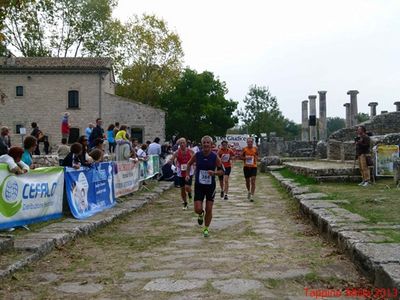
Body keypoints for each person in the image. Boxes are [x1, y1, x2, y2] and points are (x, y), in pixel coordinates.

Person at [185, 135, 223, 238]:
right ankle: (200, 214)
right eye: (204, 143)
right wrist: (188, 174)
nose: (206, 144)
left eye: (208, 143)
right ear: (202, 144)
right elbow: (188, 164)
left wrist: (214, 173)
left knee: (209, 209)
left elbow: (222, 171)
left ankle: (206, 228)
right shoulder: (197, 155)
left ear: (211, 145)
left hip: (210, 186)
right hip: (199, 186)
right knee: (197, 209)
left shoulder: (215, 157)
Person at [168, 138, 194, 210]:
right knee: (182, 189)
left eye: (183, 143)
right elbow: (171, 160)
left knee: (187, 187)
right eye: (180, 143)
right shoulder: (176, 152)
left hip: (189, 172)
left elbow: (195, 159)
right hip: (180, 172)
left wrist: (195, 164)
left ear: (186, 143)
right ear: (179, 144)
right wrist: (172, 164)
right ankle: (185, 203)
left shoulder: (190, 151)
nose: (182, 144)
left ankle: (190, 194)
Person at [241, 137, 258, 202]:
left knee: (253, 181)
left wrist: (256, 158)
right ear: (247, 142)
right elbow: (241, 157)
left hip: (254, 166)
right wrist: (245, 158)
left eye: (251, 142)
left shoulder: (255, 149)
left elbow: (257, 155)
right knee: (247, 181)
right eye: (248, 142)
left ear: (252, 142)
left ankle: (252, 195)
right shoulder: (244, 149)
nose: (250, 143)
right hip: (246, 167)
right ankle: (248, 191)